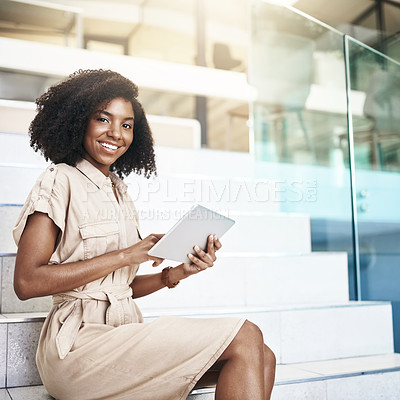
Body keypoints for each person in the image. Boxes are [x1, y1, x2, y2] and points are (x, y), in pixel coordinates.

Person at [13, 69, 276, 400]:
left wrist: (177, 272)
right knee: (245, 335)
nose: (116, 133)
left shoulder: (119, 192)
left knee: (263, 356)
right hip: (78, 349)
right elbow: (26, 283)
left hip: (122, 335)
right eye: (103, 120)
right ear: (79, 120)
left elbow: (118, 288)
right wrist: (127, 255)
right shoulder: (59, 180)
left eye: (126, 125)